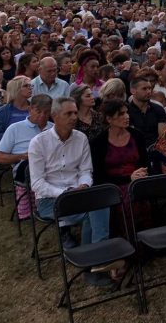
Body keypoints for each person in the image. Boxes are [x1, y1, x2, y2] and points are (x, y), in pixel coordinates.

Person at [28, 97, 112, 287]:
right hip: (51, 199)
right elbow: (38, 184)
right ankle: (97, 262)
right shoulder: (38, 143)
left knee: (100, 204)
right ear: (54, 116)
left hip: (78, 194)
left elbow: (85, 171)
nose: (74, 117)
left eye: (75, 112)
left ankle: (92, 262)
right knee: (95, 211)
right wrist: (66, 192)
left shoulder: (81, 138)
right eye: (68, 113)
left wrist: (84, 185)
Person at [0, 94, 53, 220]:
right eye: (38, 111)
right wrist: (23, 156)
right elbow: (0, 158)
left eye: (46, 112)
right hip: (25, 167)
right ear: (30, 109)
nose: (42, 115)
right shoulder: (15, 129)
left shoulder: (53, 128)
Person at [90, 100, 148, 200]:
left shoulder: (137, 136)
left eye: (127, 112)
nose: (127, 116)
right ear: (109, 119)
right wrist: (128, 178)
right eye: (121, 114)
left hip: (138, 184)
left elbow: (145, 163)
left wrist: (141, 174)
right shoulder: (98, 142)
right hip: (111, 188)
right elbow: (99, 177)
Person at [0, 75, 32, 194]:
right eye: (26, 86)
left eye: (31, 85)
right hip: (14, 148)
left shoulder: (34, 109)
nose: (30, 88)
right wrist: (14, 138)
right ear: (16, 89)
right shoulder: (4, 112)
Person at [127, 74, 166, 147]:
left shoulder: (158, 109)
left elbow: (163, 136)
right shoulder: (126, 111)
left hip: (156, 150)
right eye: (144, 89)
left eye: (150, 88)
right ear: (133, 91)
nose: (149, 91)